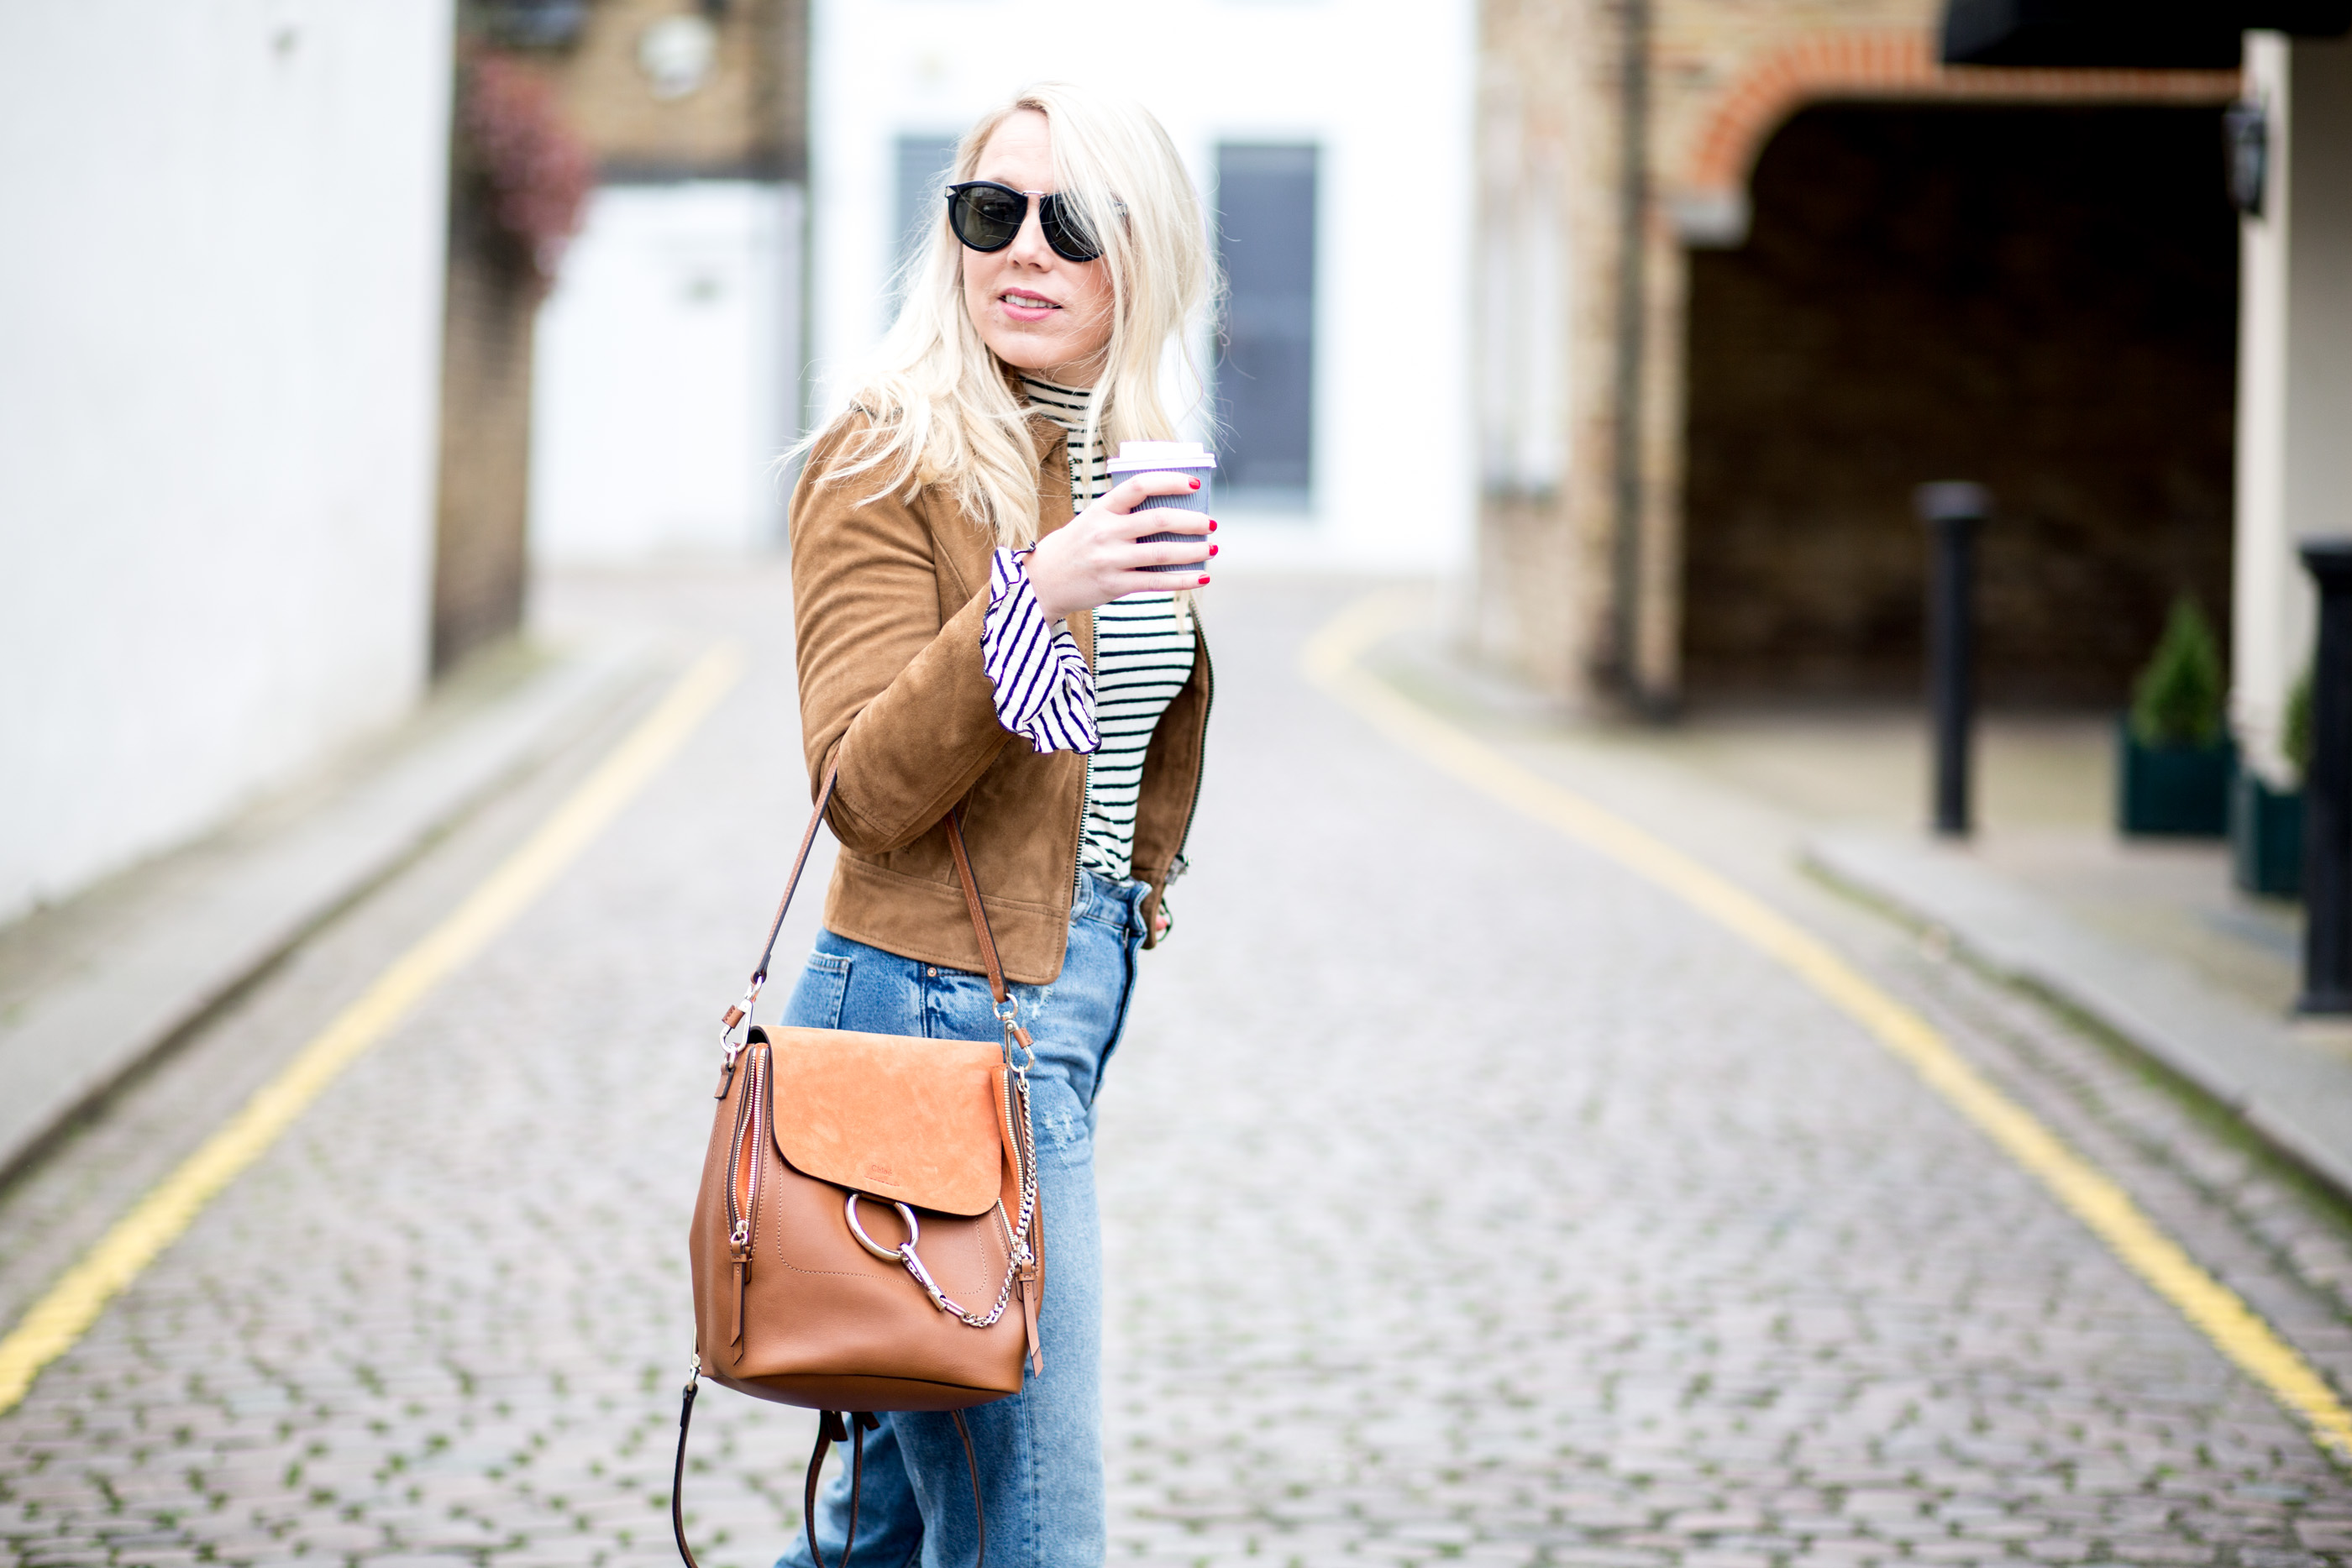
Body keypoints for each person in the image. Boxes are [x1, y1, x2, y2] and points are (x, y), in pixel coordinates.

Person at [774, 81, 1215, 1568]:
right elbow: (859, 787)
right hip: (935, 1021)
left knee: (887, 1535)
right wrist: (1036, 596)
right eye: (990, 212)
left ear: (1142, 257)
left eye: (1071, 221)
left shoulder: (1116, 454)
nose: (1023, 250)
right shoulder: (883, 456)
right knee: (1029, 1532)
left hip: (1054, 1011)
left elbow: (1108, 763)